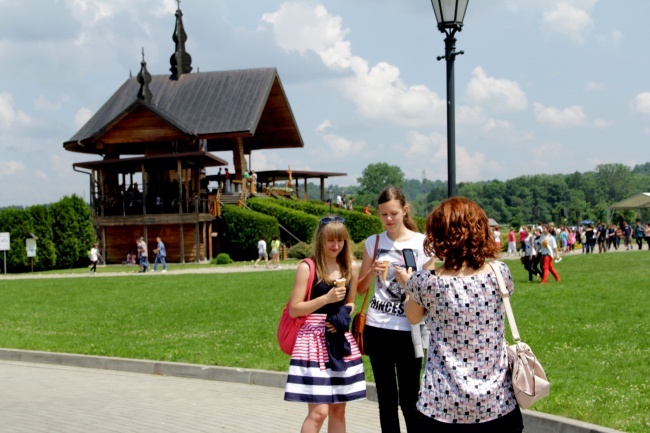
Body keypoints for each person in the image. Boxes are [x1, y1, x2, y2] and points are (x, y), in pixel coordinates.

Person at [402, 196, 524, 432]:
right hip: (497, 403)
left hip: (441, 404)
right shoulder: (500, 273)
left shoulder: (427, 283)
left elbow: (413, 317)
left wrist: (409, 285)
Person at [356, 186, 434, 433]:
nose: (388, 220)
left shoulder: (422, 244)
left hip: (409, 329)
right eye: (383, 215)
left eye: (393, 214)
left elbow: (430, 292)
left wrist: (407, 281)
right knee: (386, 400)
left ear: (404, 211)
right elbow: (360, 289)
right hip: (377, 328)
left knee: (410, 400)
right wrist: (372, 271)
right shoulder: (374, 242)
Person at [284, 216, 365, 432]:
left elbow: (350, 303)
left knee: (338, 409)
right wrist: (326, 299)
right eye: (330, 240)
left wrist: (342, 316)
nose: (336, 245)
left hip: (339, 339)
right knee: (319, 411)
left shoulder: (350, 268)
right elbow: (295, 308)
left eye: (340, 240)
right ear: (321, 240)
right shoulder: (308, 267)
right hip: (312, 341)